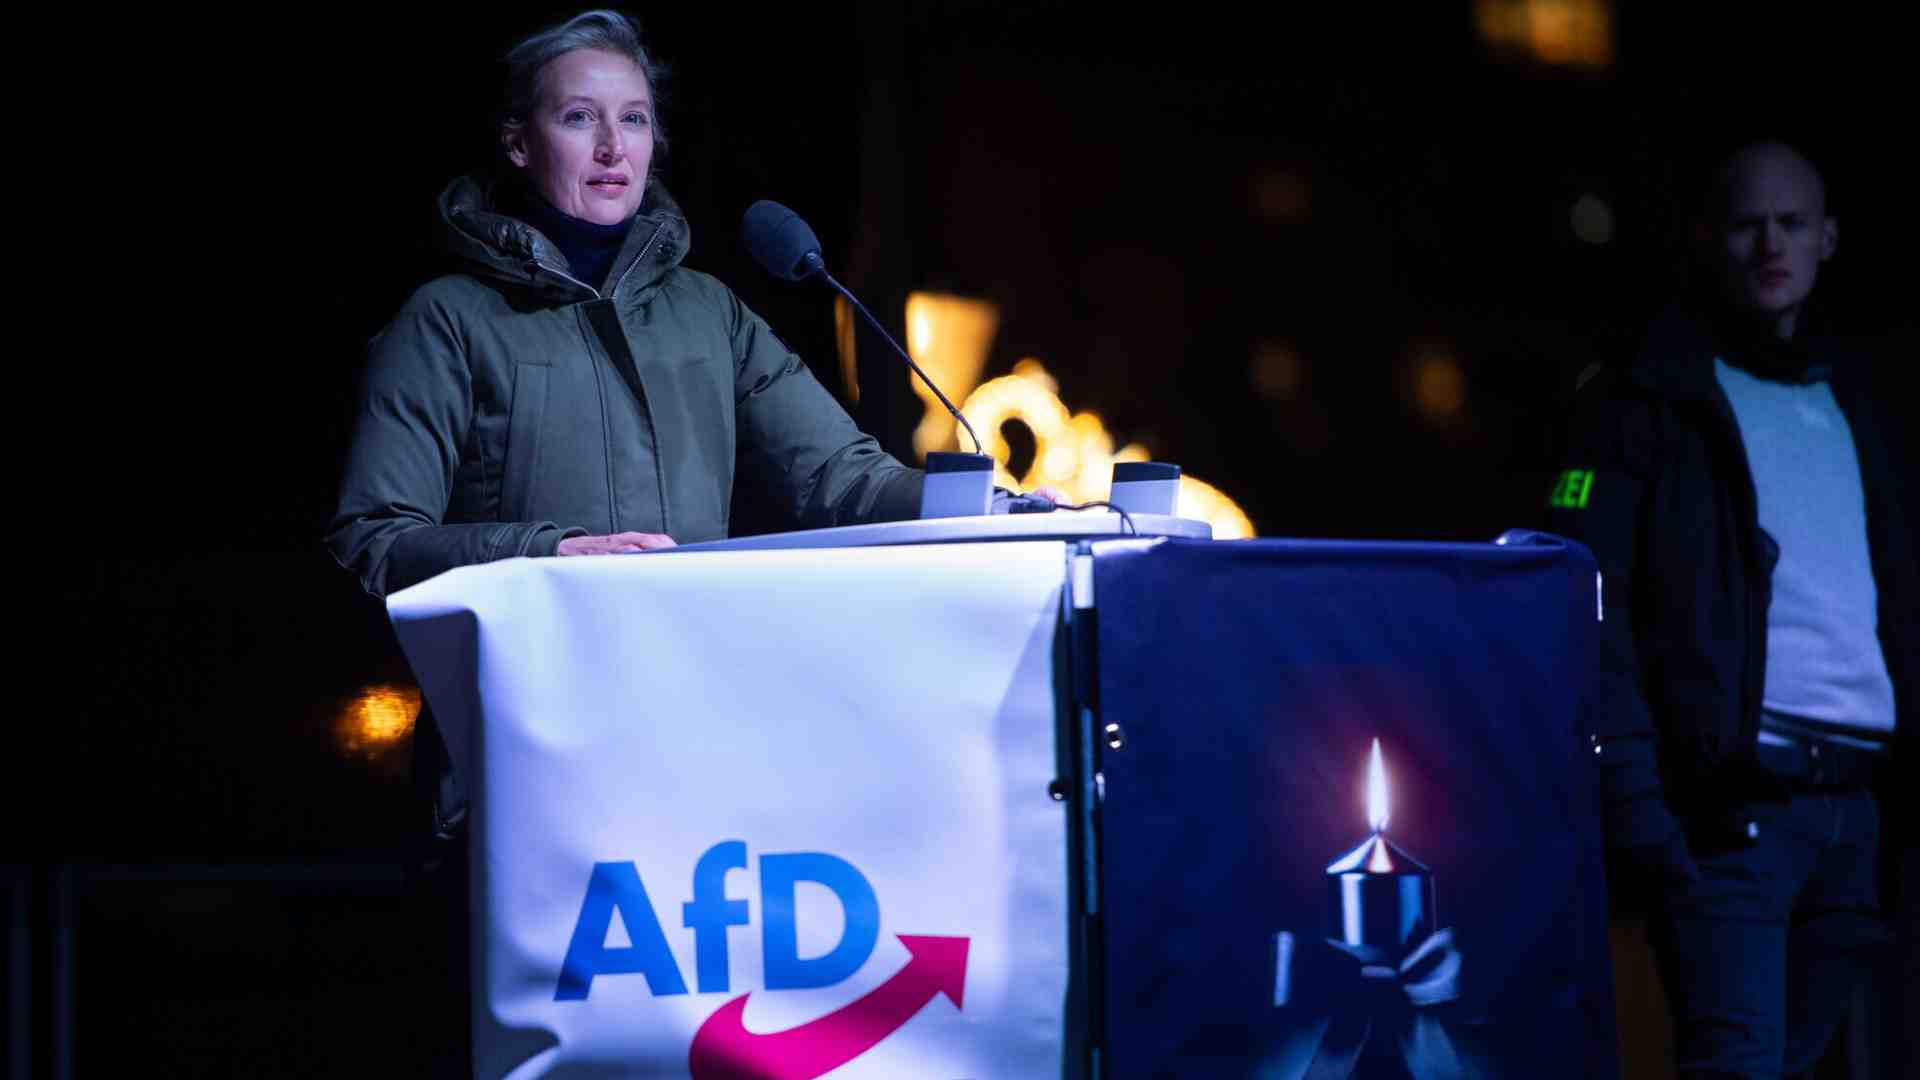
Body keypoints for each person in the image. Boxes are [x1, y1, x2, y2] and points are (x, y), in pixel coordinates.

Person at [323, 11, 943, 1071]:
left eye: (636, 120)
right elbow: (374, 538)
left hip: (695, 769)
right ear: (520, 143)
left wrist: (987, 507)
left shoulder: (709, 314)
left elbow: (845, 477)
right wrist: (547, 552)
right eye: (580, 118)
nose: (614, 147)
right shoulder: (449, 320)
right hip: (524, 780)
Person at [1545, 139, 1915, 1078]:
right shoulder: (1645, 399)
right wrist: (1644, 813)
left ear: (1829, 237)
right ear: (1708, 236)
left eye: (1791, 223)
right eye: (1749, 224)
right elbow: (1587, 605)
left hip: (1855, 813)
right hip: (1731, 821)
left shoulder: (1857, 402)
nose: (1771, 244)